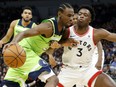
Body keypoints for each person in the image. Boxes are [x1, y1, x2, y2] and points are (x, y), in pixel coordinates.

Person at [1, 3, 74, 87]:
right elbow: (24, 33)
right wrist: (13, 42)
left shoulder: (62, 30)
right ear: (60, 14)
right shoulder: (48, 26)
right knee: (53, 79)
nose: (71, 19)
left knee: (11, 84)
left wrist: (53, 47)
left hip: (25, 57)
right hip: (24, 52)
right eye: (69, 16)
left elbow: (48, 50)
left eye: (72, 16)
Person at [57, 5, 116, 87]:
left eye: (85, 15)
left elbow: (113, 37)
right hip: (68, 71)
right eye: (80, 13)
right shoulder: (66, 32)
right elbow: (52, 46)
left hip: (87, 70)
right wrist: (63, 43)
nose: (81, 16)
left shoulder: (96, 33)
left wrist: (99, 60)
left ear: (90, 20)